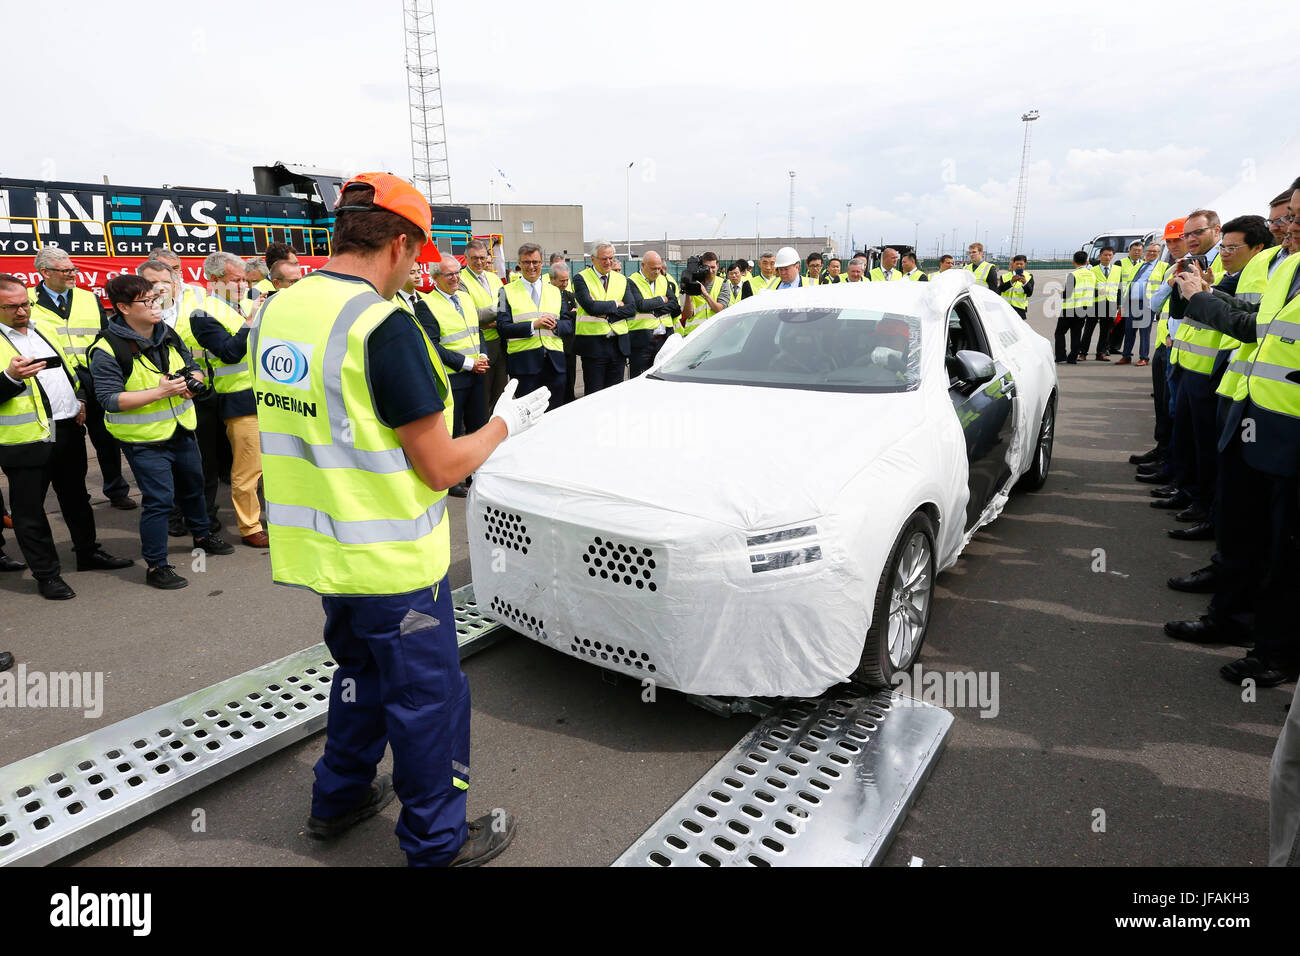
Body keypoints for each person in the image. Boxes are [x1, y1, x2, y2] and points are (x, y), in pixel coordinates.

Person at [252, 171, 549, 866]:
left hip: (325, 555)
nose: (414, 271)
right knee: (428, 702)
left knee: (358, 677)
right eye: (416, 256)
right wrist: (507, 423)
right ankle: (438, 842)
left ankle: (339, 798)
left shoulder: (277, 310)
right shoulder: (383, 328)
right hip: (394, 566)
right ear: (401, 244)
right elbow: (442, 467)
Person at [1163, 192, 1300, 687]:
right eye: (1283, 218)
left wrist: (1202, 297)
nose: (1286, 227)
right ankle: (1232, 618)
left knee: (1284, 551)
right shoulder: (1286, 267)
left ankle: (1276, 653)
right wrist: (1204, 294)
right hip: (1253, 413)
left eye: (1294, 218)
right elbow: (1254, 320)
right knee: (1243, 528)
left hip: (1289, 430)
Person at [91, 275, 234, 590]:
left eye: (156, 298)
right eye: (147, 301)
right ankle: (156, 566)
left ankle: (202, 534)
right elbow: (110, 400)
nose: (156, 305)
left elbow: (190, 365)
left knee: (194, 487)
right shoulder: (106, 348)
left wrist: (190, 383)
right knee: (159, 501)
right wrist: (159, 392)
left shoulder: (165, 333)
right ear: (123, 307)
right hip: (145, 441)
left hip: (182, 429)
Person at [0, 275, 133, 599]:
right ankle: (47, 574)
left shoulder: (38, 328)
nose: (22, 311)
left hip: (67, 429)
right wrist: (9, 377)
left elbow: (66, 370)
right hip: (26, 441)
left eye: (25, 304)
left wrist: (80, 400)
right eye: (12, 307)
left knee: (77, 499)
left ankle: (88, 552)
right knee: (30, 512)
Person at [27, 248, 137, 511]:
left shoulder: (88, 298)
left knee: (106, 439)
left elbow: (105, 335)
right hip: (54, 381)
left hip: (93, 376)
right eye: (66, 271)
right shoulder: (28, 300)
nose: (73, 275)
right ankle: (73, 493)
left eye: (73, 269)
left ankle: (116, 489)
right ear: (45, 272)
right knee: (61, 443)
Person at [189, 252, 266, 548]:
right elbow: (230, 352)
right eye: (236, 280)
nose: (243, 285)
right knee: (248, 469)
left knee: (273, 465)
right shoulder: (202, 313)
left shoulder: (248, 303)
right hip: (238, 399)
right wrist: (250, 321)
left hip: (268, 395)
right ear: (214, 280)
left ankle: (279, 517)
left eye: (245, 280)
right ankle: (250, 527)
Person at [419, 256, 491, 498]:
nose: (455, 278)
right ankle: (454, 479)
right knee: (454, 430)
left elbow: (477, 331)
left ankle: (477, 473)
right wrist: (467, 363)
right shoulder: (426, 304)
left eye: (457, 272)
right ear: (436, 278)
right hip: (454, 377)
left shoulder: (466, 298)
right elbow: (432, 345)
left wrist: (482, 353)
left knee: (478, 426)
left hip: (477, 373)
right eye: (449, 274)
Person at [499, 241, 573, 401]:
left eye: (535, 262)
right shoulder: (505, 292)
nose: (531, 266)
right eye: (526, 262)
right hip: (524, 367)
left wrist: (556, 325)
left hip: (555, 365)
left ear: (542, 263)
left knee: (555, 415)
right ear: (519, 263)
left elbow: (568, 324)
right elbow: (502, 328)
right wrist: (533, 325)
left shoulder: (556, 291)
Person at [572, 241, 633, 393]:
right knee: (594, 394)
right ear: (592, 259)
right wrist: (615, 303)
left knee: (614, 394)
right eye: (604, 259)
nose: (608, 262)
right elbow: (591, 307)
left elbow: (631, 309)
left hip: (618, 346)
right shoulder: (581, 278)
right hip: (593, 346)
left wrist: (606, 314)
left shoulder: (621, 279)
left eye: (611, 258)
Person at [460, 239, 507, 412]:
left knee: (501, 395)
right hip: (480, 348)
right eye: (474, 258)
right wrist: (497, 310)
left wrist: (491, 318)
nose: (479, 262)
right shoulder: (461, 280)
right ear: (466, 258)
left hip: (500, 345)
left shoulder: (494, 278)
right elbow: (471, 315)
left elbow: (506, 308)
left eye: (482, 257)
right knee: (482, 398)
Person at [625, 251, 675, 375]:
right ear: (643, 265)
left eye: (659, 268)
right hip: (641, 341)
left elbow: (674, 303)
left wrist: (655, 309)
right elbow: (641, 305)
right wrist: (662, 299)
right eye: (653, 268)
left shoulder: (663, 280)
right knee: (640, 378)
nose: (657, 272)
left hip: (663, 339)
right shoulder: (632, 281)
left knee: (662, 377)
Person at [1118, 241, 1163, 366]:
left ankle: (1144, 357)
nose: (1151, 253)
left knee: (1144, 332)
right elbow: (1128, 285)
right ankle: (1126, 356)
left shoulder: (1163, 266)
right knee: (1129, 331)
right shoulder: (1139, 265)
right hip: (1131, 303)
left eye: (1154, 251)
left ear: (1159, 253)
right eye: (1149, 251)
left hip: (1147, 304)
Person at [1055, 251, 1096, 364]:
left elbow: (1067, 294)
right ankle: (1073, 357)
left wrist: (1061, 292)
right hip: (1084, 308)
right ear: (1086, 261)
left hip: (1070, 308)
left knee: (1059, 333)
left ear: (1074, 261)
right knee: (1076, 334)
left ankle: (1060, 356)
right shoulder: (1092, 274)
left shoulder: (1073, 274)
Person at [1081, 247, 1120, 360]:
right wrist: (1097, 292)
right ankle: (1083, 353)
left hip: (1111, 303)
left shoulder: (1117, 270)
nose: (1107, 257)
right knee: (1089, 329)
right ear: (1100, 256)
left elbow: (1120, 288)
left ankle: (1101, 353)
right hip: (1095, 304)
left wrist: (1120, 304)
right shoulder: (1092, 270)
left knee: (1106, 331)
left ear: (1112, 256)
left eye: (1110, 255)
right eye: (1105, 255)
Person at [549, 261, 579, 402]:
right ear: (552, 279)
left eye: (567, 280)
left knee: (570, 380)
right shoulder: (546, 296)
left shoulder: (569, 295)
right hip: (552, 347)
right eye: (561, 280)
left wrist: (572, 314)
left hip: (569, 346)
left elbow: (576, 316)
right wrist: (571, 314)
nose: (565, 283)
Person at [678, 252, 725, 337]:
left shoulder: (723, 283)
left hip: (715, 334)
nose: (710, 271)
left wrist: (705, 294)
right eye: (707, 267)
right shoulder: (690, 281)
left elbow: (720, 310)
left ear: (717, 266)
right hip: (693, 334)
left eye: (713, 267)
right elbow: (688, 314)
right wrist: (689, 290)